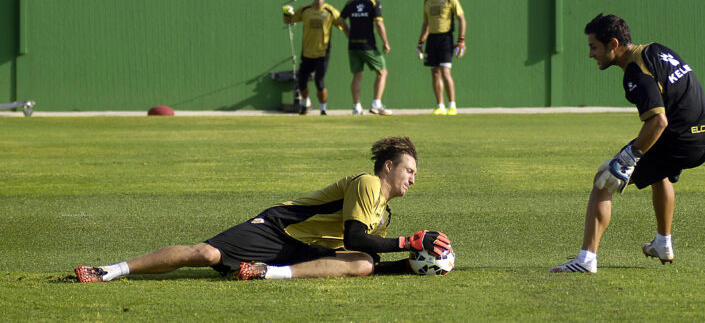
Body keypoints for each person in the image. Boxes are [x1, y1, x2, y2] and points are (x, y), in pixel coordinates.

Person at [75, 136, 452, 282]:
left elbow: (365, 249)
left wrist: (406, 262)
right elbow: (355, 235)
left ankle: (266, 273)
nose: (413, 179)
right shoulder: (369, 184)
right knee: (206, 254)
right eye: (410, 170)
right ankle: (111, 270)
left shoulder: (383, 215)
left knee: (365, 263)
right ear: (388, 166)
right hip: (276, 230)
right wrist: (412, 241)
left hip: (303, 253)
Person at [551, 14, 705, 274]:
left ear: (613, 44)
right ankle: (663, 243)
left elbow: (658, 122)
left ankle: (586, 261)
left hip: (680, 138)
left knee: (604, 178)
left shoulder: (636, 72)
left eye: (593, 47)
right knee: (658, 171)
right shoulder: (655, 49)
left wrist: (628, 158)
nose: (590, 54)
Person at [283, 0, 348, 115]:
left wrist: (352, 36)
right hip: (307, 52)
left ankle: (323, 109)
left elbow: (342, 24)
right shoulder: (305, 10)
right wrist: (286, 12)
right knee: (301, 82)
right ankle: (305, 103)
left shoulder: (330, 11)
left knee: (319, 81)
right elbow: (289, 20)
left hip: (322, 52)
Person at [339, 0, 392, 115]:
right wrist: (385, 42)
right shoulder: (374, 3)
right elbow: (379, 23)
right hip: (368, 45)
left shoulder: (351, 3)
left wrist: (348, 33)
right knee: (382, 72)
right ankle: (376, 104)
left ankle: (357, 107)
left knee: (357, 75)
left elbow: (340, 20)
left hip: (353, 46)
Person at [417, 0, 466, 116]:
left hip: (446, 38)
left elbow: (461, 19)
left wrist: (461, 39)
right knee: (435, 73)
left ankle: (452, 105)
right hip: (432, 39)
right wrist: (421, 42)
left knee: (445, 72)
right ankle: (440, 105)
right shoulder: (427, 1)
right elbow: (426, 23)